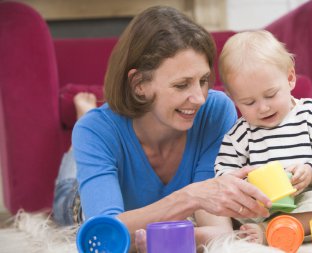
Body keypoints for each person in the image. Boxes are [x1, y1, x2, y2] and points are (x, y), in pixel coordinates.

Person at [52, 6, 273, 252]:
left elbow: (219, 232)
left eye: (203, 80)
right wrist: (190, 196)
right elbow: (103, 235)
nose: (199, 97)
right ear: (139, 85)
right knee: (69, 192)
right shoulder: (94, 131)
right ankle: (81, 129)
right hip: (77, 197)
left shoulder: (215, 110)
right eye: (181, 85)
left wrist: (160, 239)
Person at [214, 30, 312, 244]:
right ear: (234, 99)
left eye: (270, 95)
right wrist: (245, 185)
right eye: (249, 103)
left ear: (290, 78)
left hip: (306, 196)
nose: (263, 107)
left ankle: (271, 230)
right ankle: (267, 227)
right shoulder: (239, 133)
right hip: (261, 204)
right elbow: (223, 172)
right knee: (219, 209)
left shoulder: (310, 114)